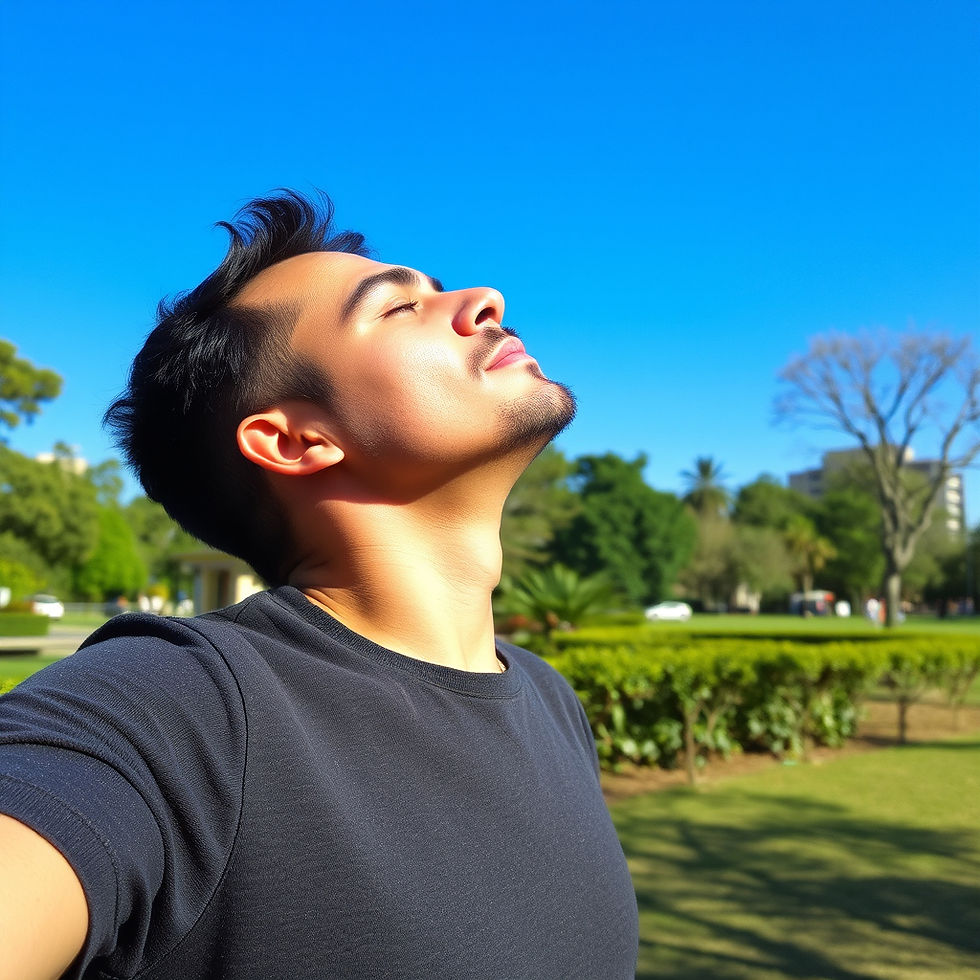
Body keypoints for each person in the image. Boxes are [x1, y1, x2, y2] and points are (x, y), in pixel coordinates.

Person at [0, 191, 639, 979]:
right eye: (400, 307)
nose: (484, 301)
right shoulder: (179, 705)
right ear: (295, 440)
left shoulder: (549, 700)